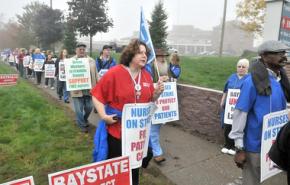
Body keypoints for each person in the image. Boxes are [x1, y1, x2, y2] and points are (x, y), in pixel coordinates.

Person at [91, 39, 164, 185]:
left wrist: (157, 93)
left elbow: (149, 100)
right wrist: (104, 116)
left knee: (134, 169)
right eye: (140, 52)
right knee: (118, 170)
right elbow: (97, 95)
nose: (144, 56)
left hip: (138, 135)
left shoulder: (147, 76)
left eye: (145, 53)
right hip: (117, 131)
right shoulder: (115, 73)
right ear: (131, 54)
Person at [229, 40, 290, 185]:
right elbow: (240, 113)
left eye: (284, 52)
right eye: (277, 53)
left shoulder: (281, 80)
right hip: (254, 147)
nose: (284, 56)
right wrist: (239, 148)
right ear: (264, 56)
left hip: (274, 144)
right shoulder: (252, 82)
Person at [149, 49, 181, 164]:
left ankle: (149, 148)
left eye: (163, 56)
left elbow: (174, 79)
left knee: (154, 128)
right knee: (154, 128)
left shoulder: (167, 66)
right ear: (155, 58)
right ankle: (157, 153)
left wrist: (169, 79)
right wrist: (158, 80)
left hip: (164, 102)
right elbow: (148, 81)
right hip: (153, 99)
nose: (162, 58)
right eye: (160, 57)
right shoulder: (151, 67)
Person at [220, 59, 249, 155]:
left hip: (241, 108)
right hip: (229, 107)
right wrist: (222, 101)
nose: (241, 68)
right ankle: (227, 144)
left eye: (243, 67)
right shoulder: (232, 77)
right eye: (239, 66)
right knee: (228, 125)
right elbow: (225, 90)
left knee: (237, 127)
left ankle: (234, 146)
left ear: (247, 68)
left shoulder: (249, 79)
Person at [70, 43, 97, 133]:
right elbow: (69, 76)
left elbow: (95, 74)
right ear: (76, 50)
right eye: (80, 49)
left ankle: (84, 119)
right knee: (79, 109)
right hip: (77, 89)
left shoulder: (91, 60)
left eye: (83, 49)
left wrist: (97, 86)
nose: (82, 51)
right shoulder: (71, 61)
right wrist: (73, 86)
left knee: (89, 107)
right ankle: (82, 125)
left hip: (89, 89)